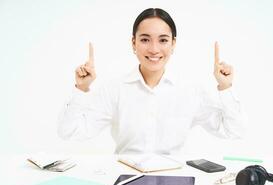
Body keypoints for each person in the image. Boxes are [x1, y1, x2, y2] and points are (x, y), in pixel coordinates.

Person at [58, 8, 246, 154]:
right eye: (145, 40)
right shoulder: (115, 90)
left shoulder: (190, 91)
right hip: (125, 179)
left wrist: (225, 87)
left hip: (174, 180)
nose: (154, 49)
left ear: (173, 44)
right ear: (134, 43)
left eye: (163, 40)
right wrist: (81, 88)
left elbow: (233, 131)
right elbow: (70, 132)